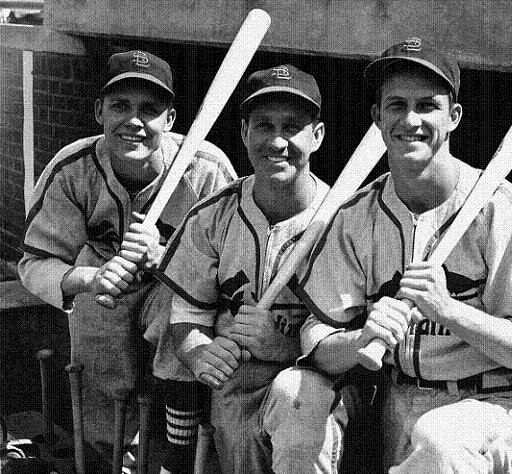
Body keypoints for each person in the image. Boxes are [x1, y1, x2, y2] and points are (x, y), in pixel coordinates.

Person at [296, 37, 512, 473]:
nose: (411, 119)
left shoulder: (508, 211)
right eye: (397, 105)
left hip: (494, 403)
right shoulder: (355, 216)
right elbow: (315, 341)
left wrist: (448, 311)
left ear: (454, 116)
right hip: (396, 400)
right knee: (296, 393)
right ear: (378, 118)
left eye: (427, 105)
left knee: (439, 440)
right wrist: (361, 338)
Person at [18, 50, 236, 473]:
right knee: (105, 413)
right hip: (103, 286)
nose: (134, 121)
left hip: (176, 289)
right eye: (121, 106)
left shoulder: (206, 170)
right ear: (99, 111)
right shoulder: (73, 168)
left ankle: (178, 456)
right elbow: (35, 263)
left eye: (149, 109)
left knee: (179, 320)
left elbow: (234, 272)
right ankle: (113, 457)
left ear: (170, 119)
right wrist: (87, 277)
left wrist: (169, 260)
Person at [159, 64, 349, 473]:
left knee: (298, 394)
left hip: (320, 383)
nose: (277, 141)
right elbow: (188, 315)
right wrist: (198, 353)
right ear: (244, 132)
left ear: (316, 136)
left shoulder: (346, 221)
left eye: (292, 127)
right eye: (264, 125)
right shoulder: (213, 215)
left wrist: (283, 346)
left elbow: (360, 343)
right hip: (236, 382)